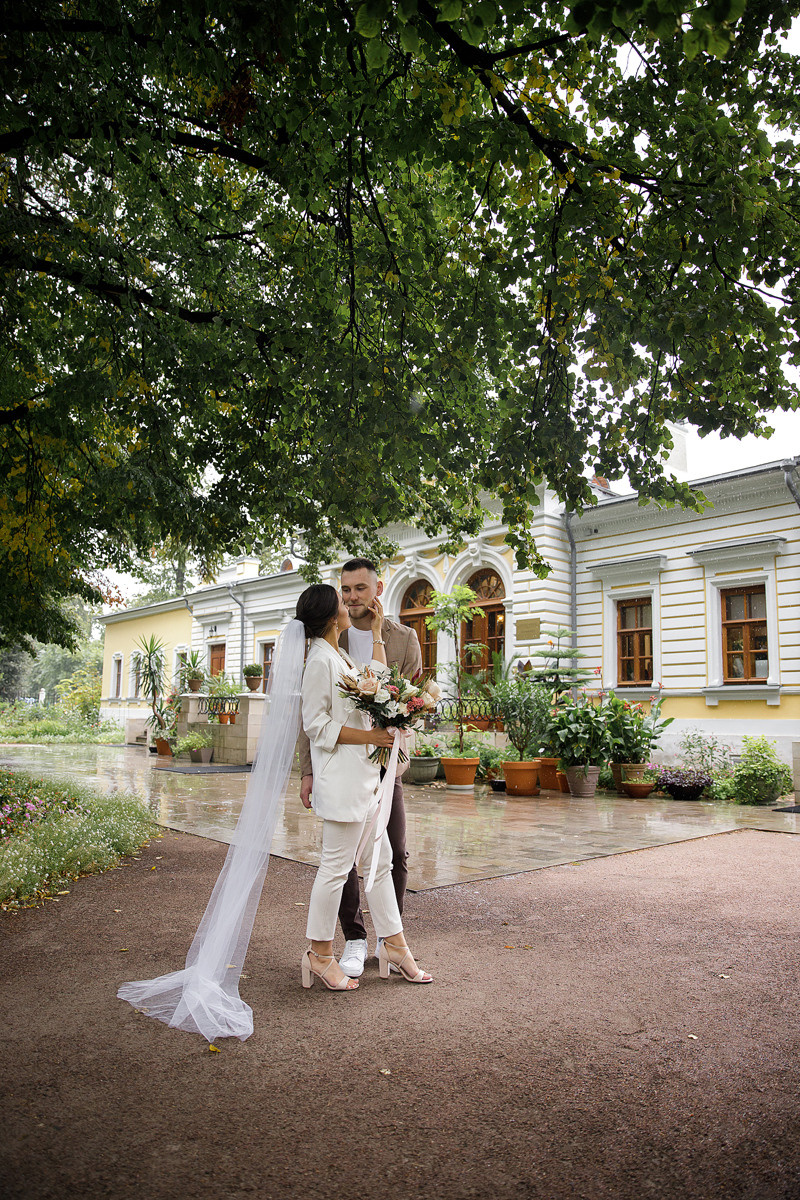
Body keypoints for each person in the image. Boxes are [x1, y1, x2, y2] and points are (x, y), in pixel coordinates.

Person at [297, 582, 431, 990]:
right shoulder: (319, 660)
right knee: (336, 869)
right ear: (329, 615)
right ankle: (319, 955)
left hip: (364, 782)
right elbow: (316, 726)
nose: (348, 603)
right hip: (341, 783)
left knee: (382, 864)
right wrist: (372, 739)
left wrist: (375, 637)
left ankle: (395, 945)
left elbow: (372, 680)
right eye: (341, 600)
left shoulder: (336, 654)